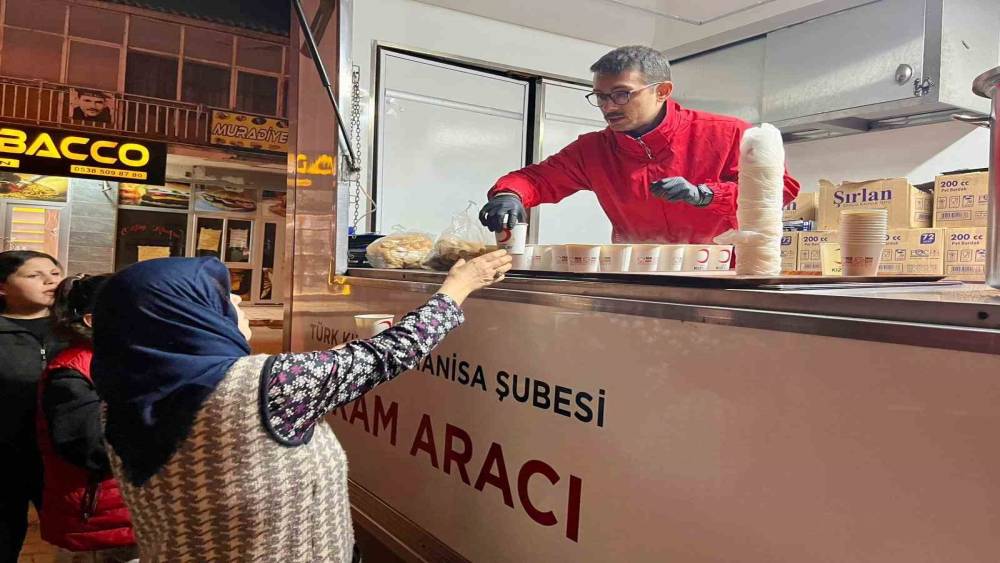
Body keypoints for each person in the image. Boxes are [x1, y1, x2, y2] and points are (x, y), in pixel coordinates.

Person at [91, 253, 512, 562]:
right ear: (186, 316)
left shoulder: (120, 397)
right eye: (219, 298)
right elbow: (393, 352)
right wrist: (458, 286)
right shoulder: (264, 386)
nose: (236, 300)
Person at [479, 45, 800, 244]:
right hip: (638, 275)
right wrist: (509, 194)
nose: (608, 107)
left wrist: (705, 195)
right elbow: (536, 180)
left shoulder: (729, 133)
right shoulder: (593, 151)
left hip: (720, 277)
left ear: (662, 91)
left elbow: (781, 191)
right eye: (600, 96)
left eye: (621, 94)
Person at [37, 274, 138, 563]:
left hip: (130, 516)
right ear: (92, 320)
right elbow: (93, 448)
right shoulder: (71, 372)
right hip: (99, 525)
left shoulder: (123, 360)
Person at [0, 250, 65, 561]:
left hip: (64, 457)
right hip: (6, 458)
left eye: (55, 273)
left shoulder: (75, 330)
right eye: (34, 275)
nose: (50, 281)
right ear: (3, 287)